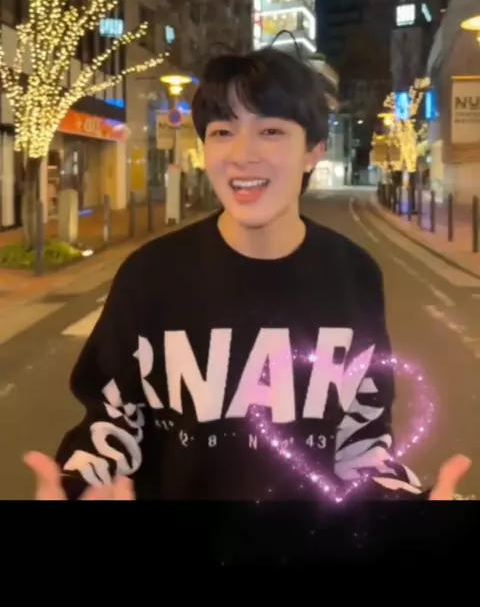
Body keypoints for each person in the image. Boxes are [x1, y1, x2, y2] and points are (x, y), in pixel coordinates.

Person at [25, 48, 470, 501]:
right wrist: (83, 487)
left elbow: (362, 436)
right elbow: (111, 420)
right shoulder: (150, 275)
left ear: (313, 151)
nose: (242, 154)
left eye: (271, 131)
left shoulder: (353, 274)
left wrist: (403, 499)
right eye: (222, 132)